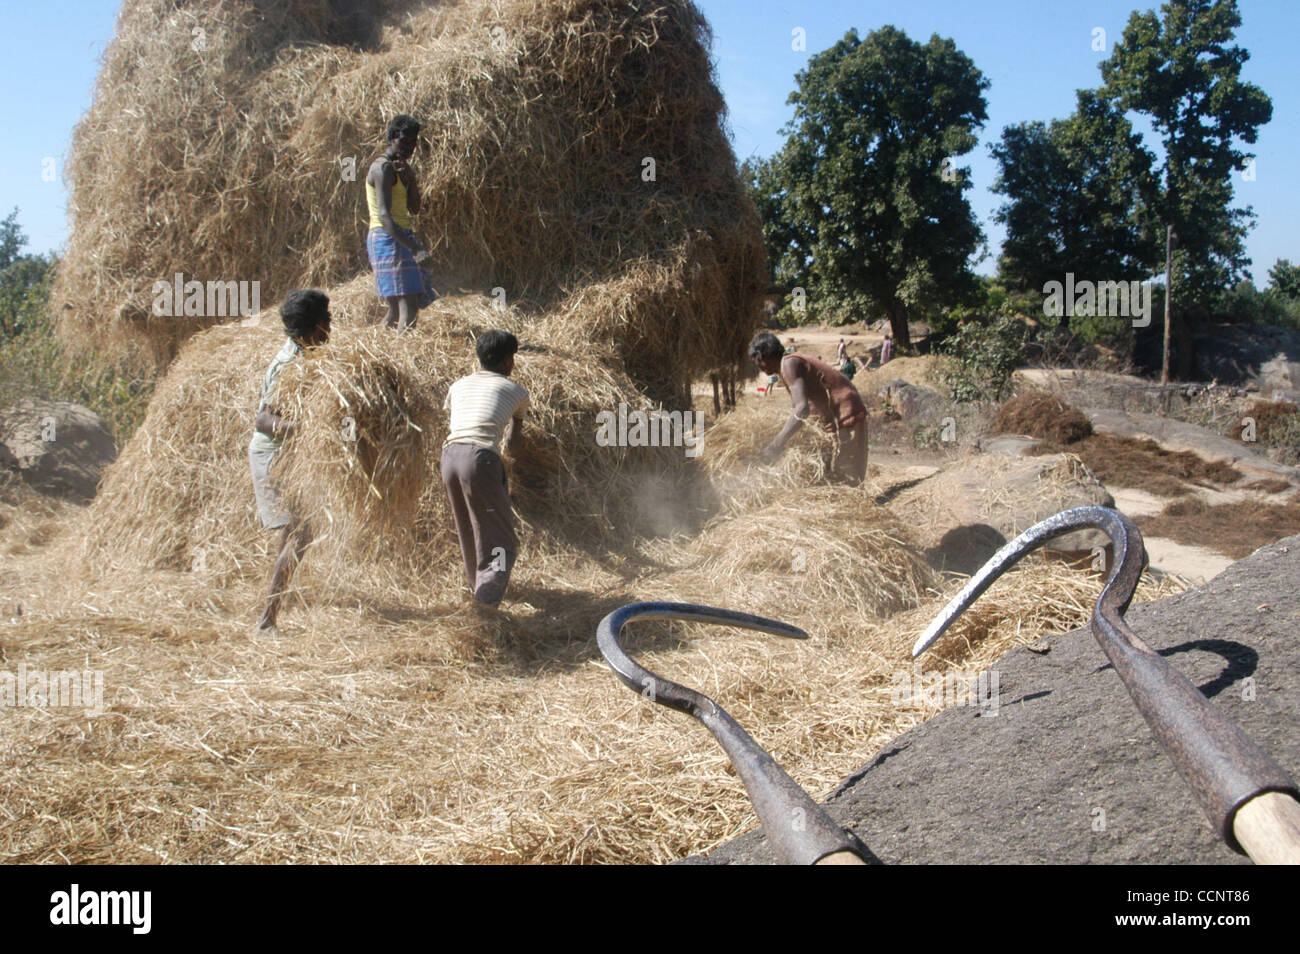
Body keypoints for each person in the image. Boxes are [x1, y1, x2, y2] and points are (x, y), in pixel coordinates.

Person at [248, 289, 331, 636]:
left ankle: (273, 609)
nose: (331, 326)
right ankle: (268, 619)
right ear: (313, 329)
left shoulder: (309, 354)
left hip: (289, 455)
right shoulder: (289, 365)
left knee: (298, 535)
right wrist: (306, 429)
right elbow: (264, 420)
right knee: (298, 534)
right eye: (328, 321)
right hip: (272, 455)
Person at [441, 330, 530, 606]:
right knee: (501, 544)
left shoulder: (458, 385)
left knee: (469, 528)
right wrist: (511, 460)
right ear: (506, 362)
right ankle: (487, 608)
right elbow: (513, 443)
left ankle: (476, 589)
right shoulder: (516, 391)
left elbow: (459, 423)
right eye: (512, 358)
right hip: (480, 460)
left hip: (449, 457)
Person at [749, 331, 868, 485]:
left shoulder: (789, 364)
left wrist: (776, 444)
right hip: (835, 420)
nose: (757, 366)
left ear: (760, 356)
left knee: (846, 478)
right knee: (831, 478)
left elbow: (801, 409)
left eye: (755, 360)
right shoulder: (786, 366)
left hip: (846, 415)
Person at [366, 114, 437, 330]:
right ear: (392, 138)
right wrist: (415, 249)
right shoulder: (382, 168)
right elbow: (385, 216)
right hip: (388, 236)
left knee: (397, 310)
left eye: (414, 142)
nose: (410, 147)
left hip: (399, 235)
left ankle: (379, 349)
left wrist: (411, 179)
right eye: (405, 141)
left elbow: (414, 208)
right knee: (409, 305)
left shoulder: (400, 169)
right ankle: (401, 356)